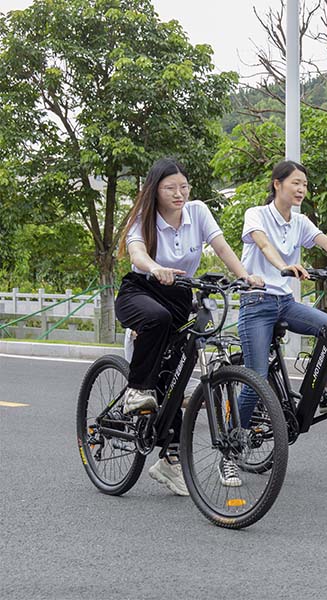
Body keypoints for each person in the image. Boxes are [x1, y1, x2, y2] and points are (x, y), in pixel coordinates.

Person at [115, 157, 263, 496]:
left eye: (183, 186)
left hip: (180, 296)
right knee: (158, 320)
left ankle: (169, 460)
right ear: (156, 190)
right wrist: (154, 267)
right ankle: (136, 389)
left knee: (175, 376)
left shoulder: (197, 211)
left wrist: (244, 276)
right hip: (142, 290)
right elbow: (136, 252)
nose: (179, 193)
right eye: (171, 188)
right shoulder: (144, 217)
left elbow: (222, 247)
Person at [234, 160, 327, 486]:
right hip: (257, 304)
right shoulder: (256, 214)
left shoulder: (299, 221)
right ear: (277, 184)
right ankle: (232, 446)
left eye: (304, 184)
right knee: (256, 377)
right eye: (295, 183)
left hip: (285, 303)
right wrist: (283, 266)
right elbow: (262, 243)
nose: (301, 189)